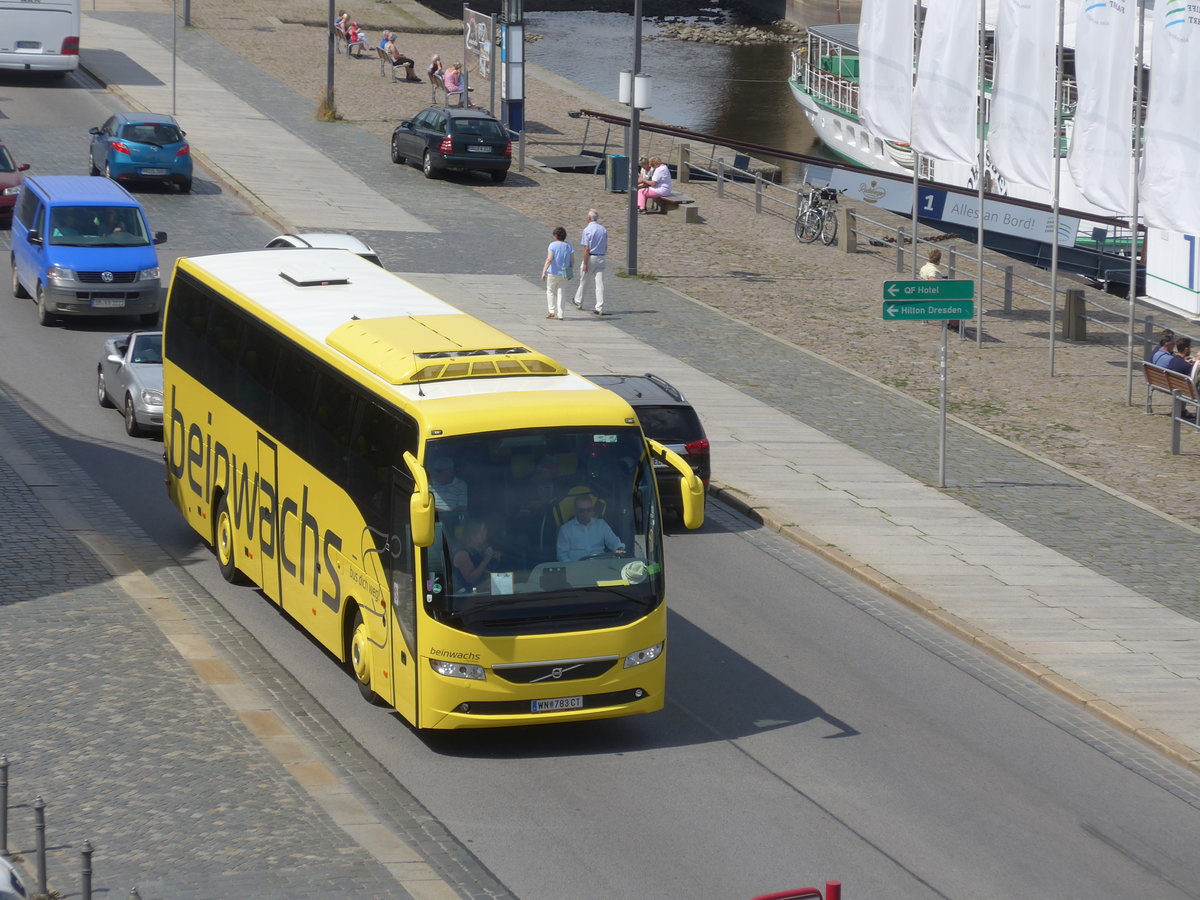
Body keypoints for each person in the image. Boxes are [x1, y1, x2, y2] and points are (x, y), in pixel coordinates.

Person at [557, 495, 625, 562]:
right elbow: (562, 555)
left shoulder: (601, 524)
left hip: (600, 566)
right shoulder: (565, 529)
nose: (585, 513)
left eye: (588, 510)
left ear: (592, 509)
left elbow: (614, 542)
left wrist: (619, 549)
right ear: (576, 510)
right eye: (581, 510)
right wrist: (572, 569)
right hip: (577, 568)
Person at [572, 209, 609, 316]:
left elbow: (586, 249)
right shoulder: (603, 229)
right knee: (600, 283)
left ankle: (578, 300)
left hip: (591, 257)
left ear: (588, 218)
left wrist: (585, 263)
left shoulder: (587, 230)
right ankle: (599, 306)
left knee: (584, 280)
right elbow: (606, 245)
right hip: (601, 257)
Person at [453, 519, 500, 593]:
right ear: (472, 534)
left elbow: (485, 572)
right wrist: (486, 559)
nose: (484, 534)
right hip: (467, 597)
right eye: (481, 532)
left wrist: (495, 559)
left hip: (483, 591)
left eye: (485, 531)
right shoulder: (462, 554)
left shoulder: (479, 549)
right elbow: (470, 579)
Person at [540, 225, 574, 320]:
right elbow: (572, 261)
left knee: (550, 291)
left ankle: (551, 311)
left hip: (553, 272)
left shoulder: (552, 245)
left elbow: (549, 259)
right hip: (564, 273)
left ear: (555, 235)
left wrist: (544, 271)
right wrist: (570, 270)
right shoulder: (568, 246)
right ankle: (561, 314)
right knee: (561, 293)